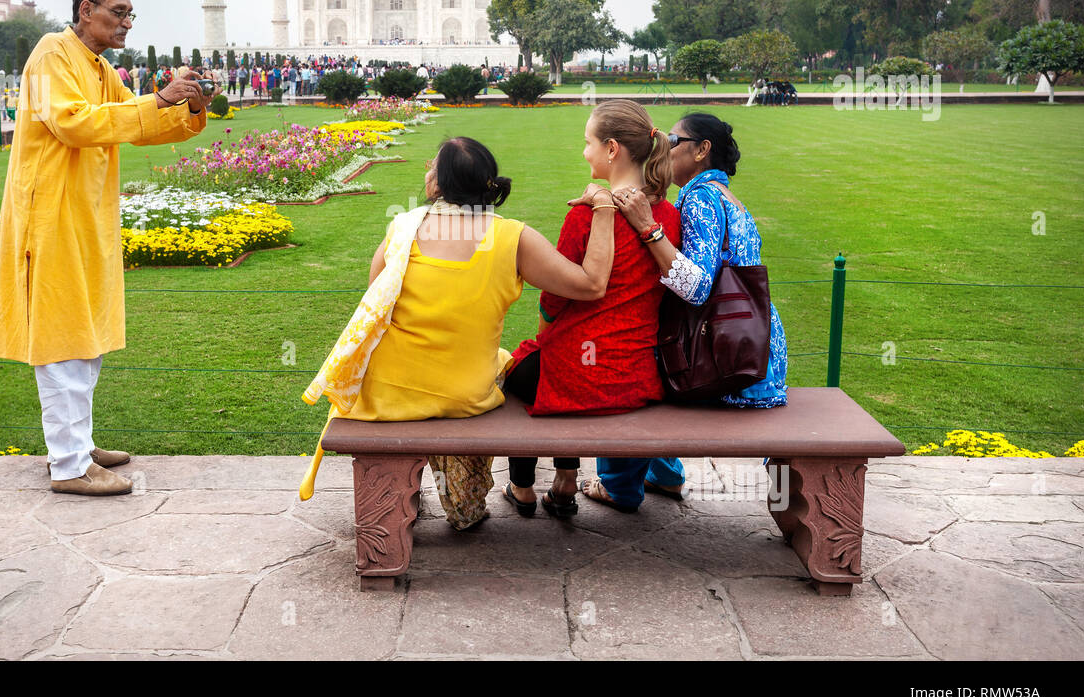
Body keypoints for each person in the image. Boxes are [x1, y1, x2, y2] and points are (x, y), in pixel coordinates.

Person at [302, 137, 618, 530]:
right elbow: (590, 284)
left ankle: (412, 499)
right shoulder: (512, 237)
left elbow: (376, 304)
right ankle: (519, 486)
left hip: (388, 392)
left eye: (431, 165)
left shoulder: (404, 226)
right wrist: (604, 206)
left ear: (438, 183)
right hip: (465, 393)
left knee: (499, 360)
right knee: (508, 360)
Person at [0, 0, 209, 497]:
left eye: (131, 15)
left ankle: (77, 445)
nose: (127, 22)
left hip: (86, 216)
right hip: (52, 215)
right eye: (120, 12)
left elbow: (141, 124)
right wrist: (158, 99)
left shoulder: (99, 68)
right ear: (87, 10)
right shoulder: (52, 53)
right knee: (62, 339)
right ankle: (67, 465)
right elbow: (74, 124)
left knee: (86, 333)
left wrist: (190, 103)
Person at [585, 111, 789, 511]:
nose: (667, 148)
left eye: (676, 142)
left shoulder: (699, 197)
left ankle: (619, 485)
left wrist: (648, 228)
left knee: (627, 369)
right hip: (757, 352)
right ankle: (664, 474)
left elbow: (696, 288)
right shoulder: (729, 196)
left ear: (702, 151)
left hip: (724, 363)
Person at [502, 100, 682, 517]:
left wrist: (547, 329)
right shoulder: (666, 219)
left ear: (613, 149)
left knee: (514, 373)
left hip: (580, 373)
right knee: (545, 363)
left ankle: (524, 486)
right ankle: (563, 482)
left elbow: (554, 299)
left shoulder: (585, 218)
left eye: (588, 143)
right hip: (637, 377)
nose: (584, 152)